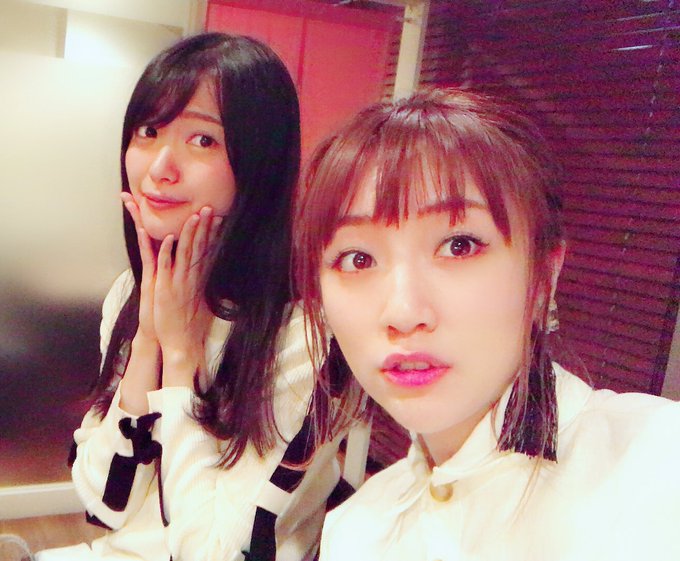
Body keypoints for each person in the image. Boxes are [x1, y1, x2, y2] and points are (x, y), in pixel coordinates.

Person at [293, 88, 680, 560]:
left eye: (459, 245)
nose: (403, 312)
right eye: (357, 258)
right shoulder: (357, 531)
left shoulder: (658, 469)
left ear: (544, 274)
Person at [37, 32, 354, 561]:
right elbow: (104, 502)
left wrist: (182, 357)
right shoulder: (131, 294)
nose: (160, 166)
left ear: (259, 162)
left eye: (203, 140)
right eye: (149, 131)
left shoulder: (310, 331)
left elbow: (217, 553)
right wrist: (148, 341)